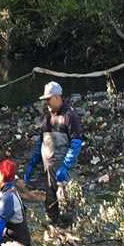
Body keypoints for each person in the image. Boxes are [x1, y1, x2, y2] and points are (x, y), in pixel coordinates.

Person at [23, 81, 83, 227]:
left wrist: (65, 166)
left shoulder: (69, 116)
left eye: (48, 99)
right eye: (45, 100)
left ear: (57, 97)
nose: (46, 103)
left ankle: (73, 234)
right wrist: (32, 162)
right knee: (51, 207)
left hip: (65, 173)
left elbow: (76, 144)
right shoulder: (47, 119)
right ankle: (53, 232)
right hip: (49, 172)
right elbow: (41, 142)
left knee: (69, 209)